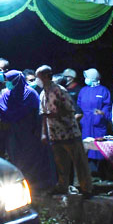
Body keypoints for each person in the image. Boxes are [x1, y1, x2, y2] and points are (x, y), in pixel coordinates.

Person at [0, 69, 56, 190]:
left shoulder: (30, 93)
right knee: (17, 159)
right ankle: (23, 186)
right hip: (15, 131)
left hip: (31, 132)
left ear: (16, 81)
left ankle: (38, 187)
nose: (7, 83)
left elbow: (39, 114)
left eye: (9, 81)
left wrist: (39, 130)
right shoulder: (10, 94)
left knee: (32, 159)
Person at [37, 65, 93, 197]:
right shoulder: (42, 94)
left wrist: (54, 114)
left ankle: (86, 189)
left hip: (68, 132)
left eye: (39, 77)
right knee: (61, 164)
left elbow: (70, 109)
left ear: (46, 76)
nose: (37, 80)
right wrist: (44, 133)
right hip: (54, 134)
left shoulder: (59, 90)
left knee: (79, 162)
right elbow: (43, 115)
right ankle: (62, 186)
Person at [77, 68, 112, 162]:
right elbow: (79, 104)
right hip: (86, 123)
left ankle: (100, 171)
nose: (85, 79)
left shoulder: (103, 90)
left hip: (98, 124)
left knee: (98, 148)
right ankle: (88, 171)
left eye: (87, 77)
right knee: (86, 147)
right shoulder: (83, 90)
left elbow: (107, 106)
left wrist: (100, 116)